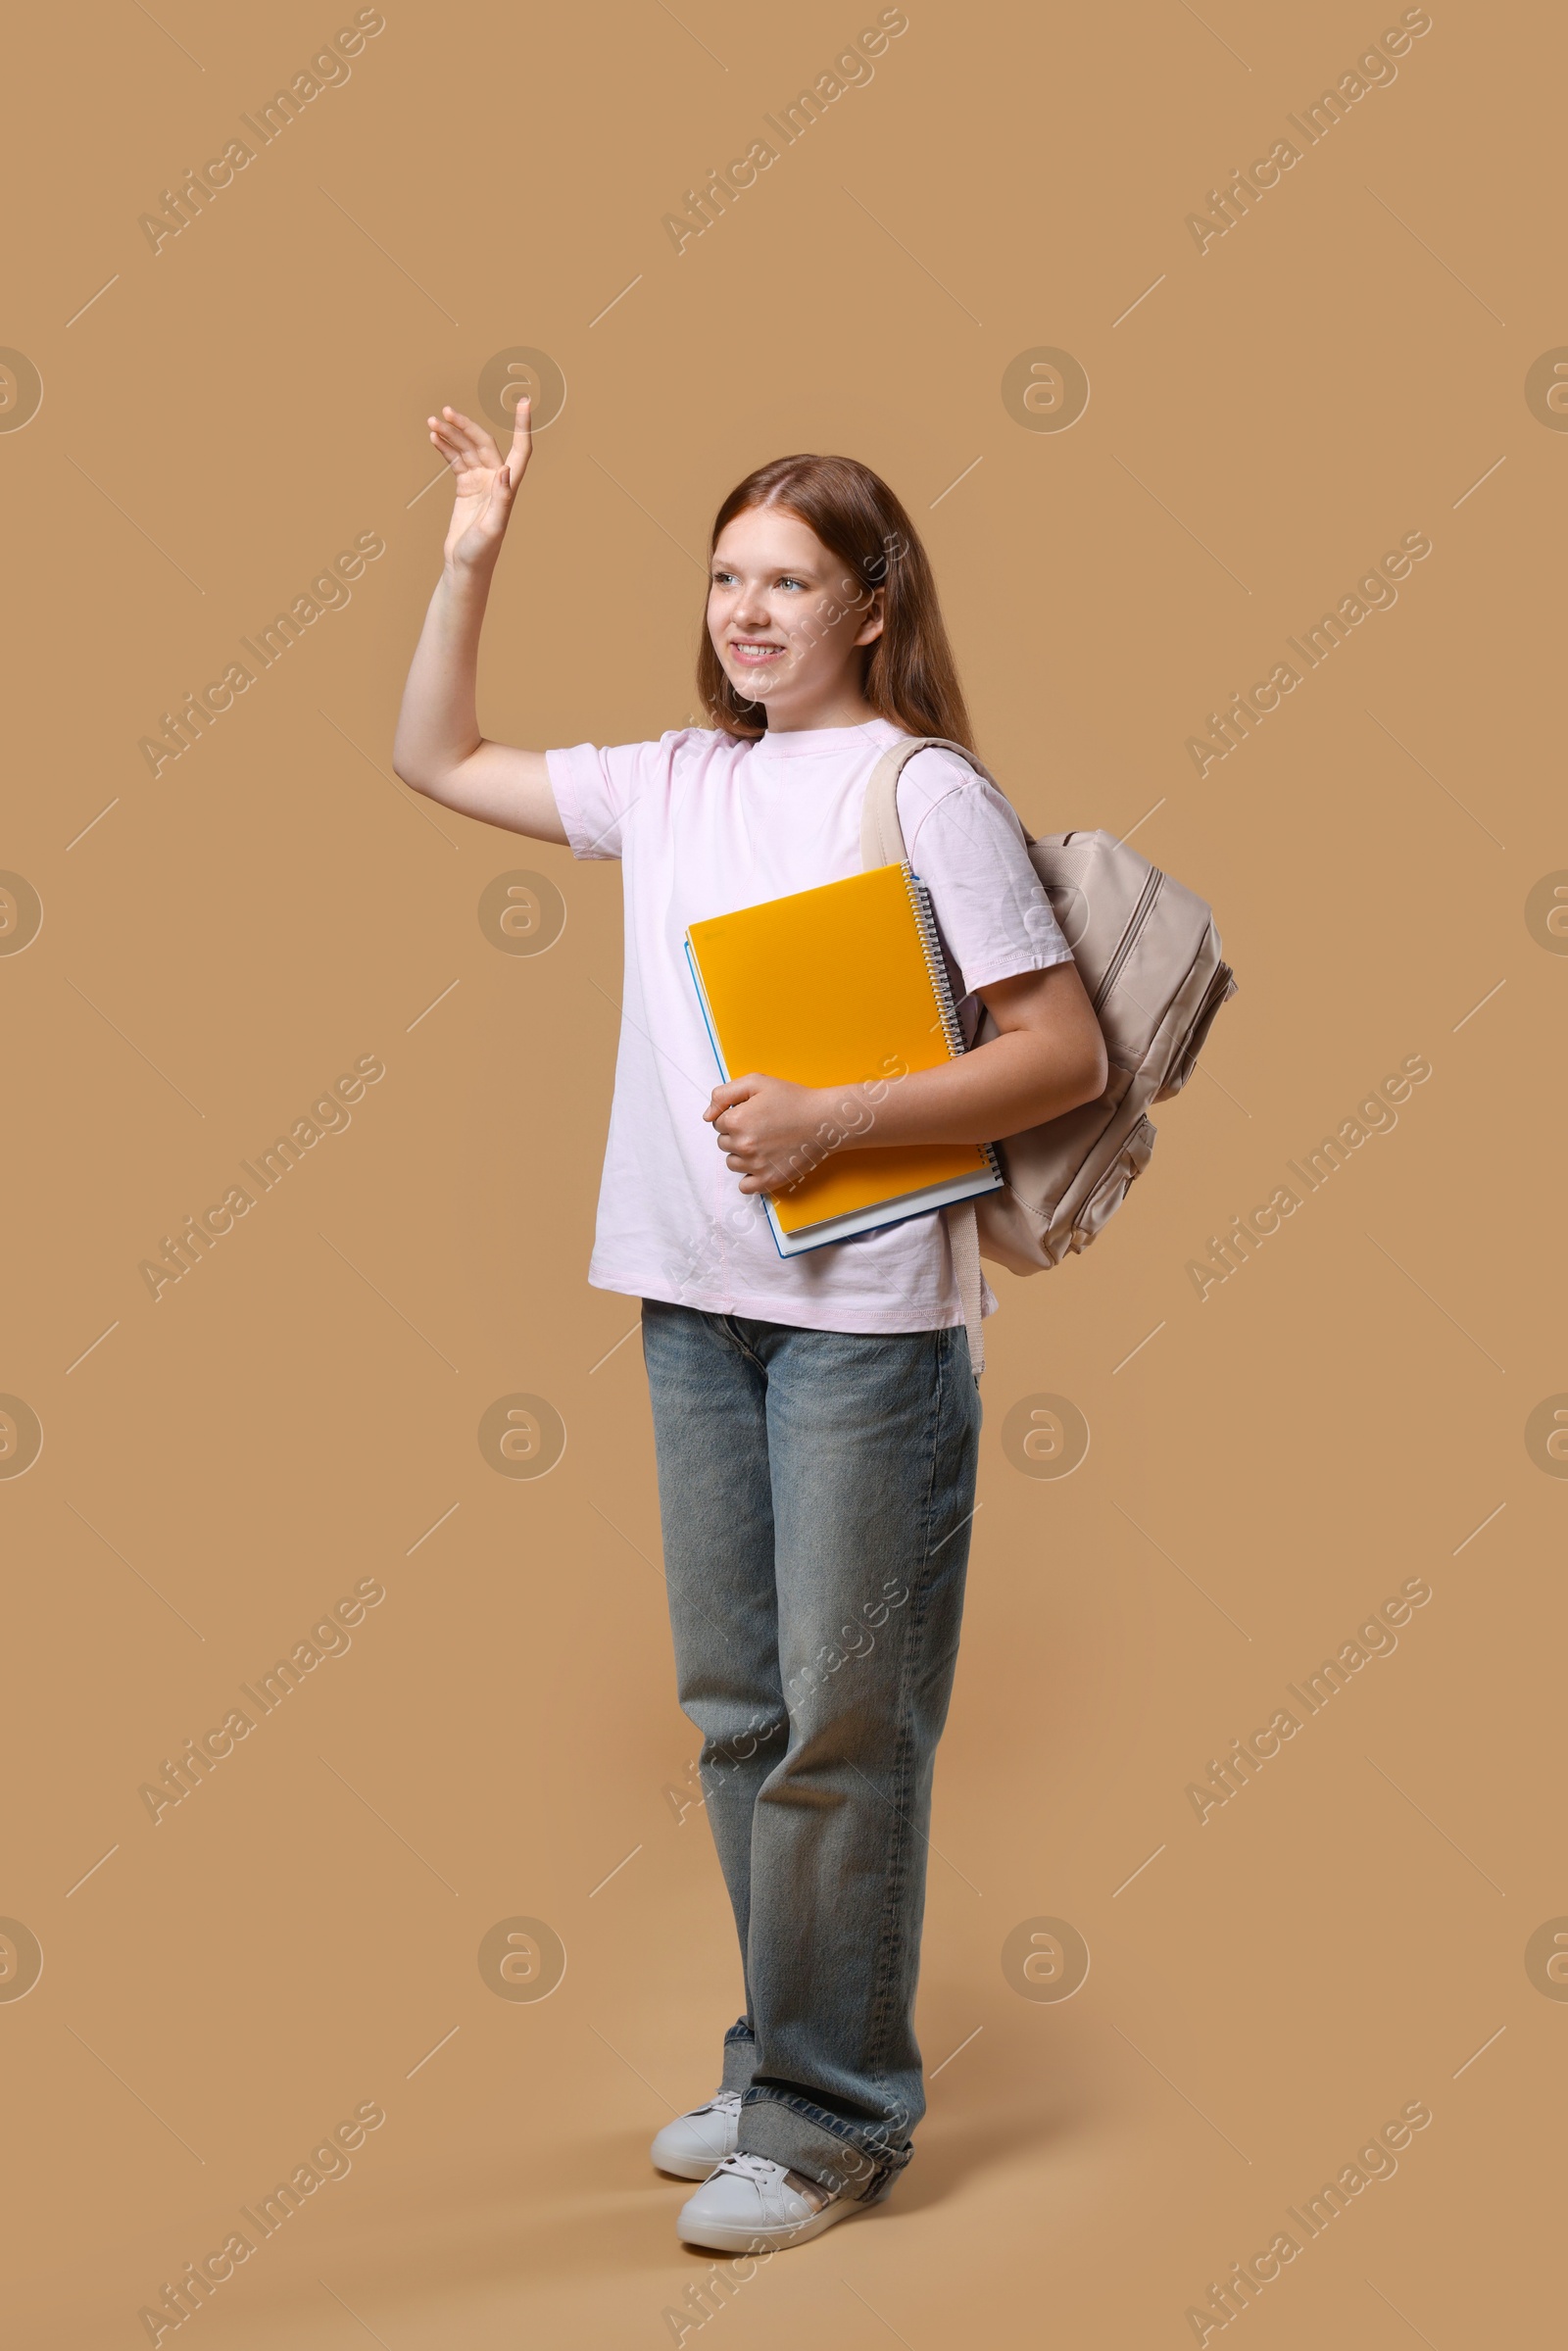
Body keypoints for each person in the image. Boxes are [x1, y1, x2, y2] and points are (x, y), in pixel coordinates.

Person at [392, 399, 1106, 2251]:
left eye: (790, 579)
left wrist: (834, 1118)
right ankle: (784, 2059)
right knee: (737, 1716)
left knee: (845, 1727)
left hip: (867, 1321)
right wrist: (473, 550)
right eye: (726, 577)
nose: (749, 609)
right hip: (694, 1317)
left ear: (872, 604)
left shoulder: (918, 787)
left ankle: (838, 2117)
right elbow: (435, 755)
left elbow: (1059, 1048)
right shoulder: (674, 781)